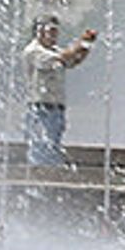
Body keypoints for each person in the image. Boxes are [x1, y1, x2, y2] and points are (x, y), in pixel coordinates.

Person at [21, 16, 96, 168]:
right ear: (39, 31)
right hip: (40, 108)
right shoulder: (33, 51)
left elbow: (74, 60)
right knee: (40, 148)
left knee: (53, 146)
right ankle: (38, 179)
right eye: (52, 31)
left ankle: (48, 176)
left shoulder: (53, 50)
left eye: (56, 31)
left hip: (56, 107)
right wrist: (81, 41)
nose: (55, 35)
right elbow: (64, 57)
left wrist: (86, 44)